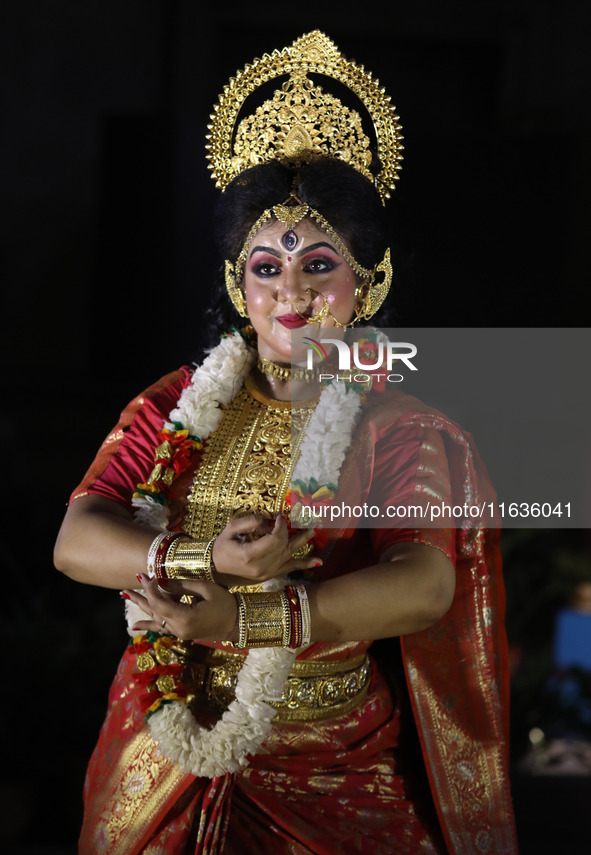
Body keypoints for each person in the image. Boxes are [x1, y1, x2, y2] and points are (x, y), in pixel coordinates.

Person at [55, 31, 518, 854]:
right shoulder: (172, 404)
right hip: (167, 746)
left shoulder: (403, 425)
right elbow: (79, 537)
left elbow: (422, 583)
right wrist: (200, 563)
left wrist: (255, 616)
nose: (291, 292)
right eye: (265, 266)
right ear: (238, 284)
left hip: (333, 765)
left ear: (367, 281)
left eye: (319, 265)